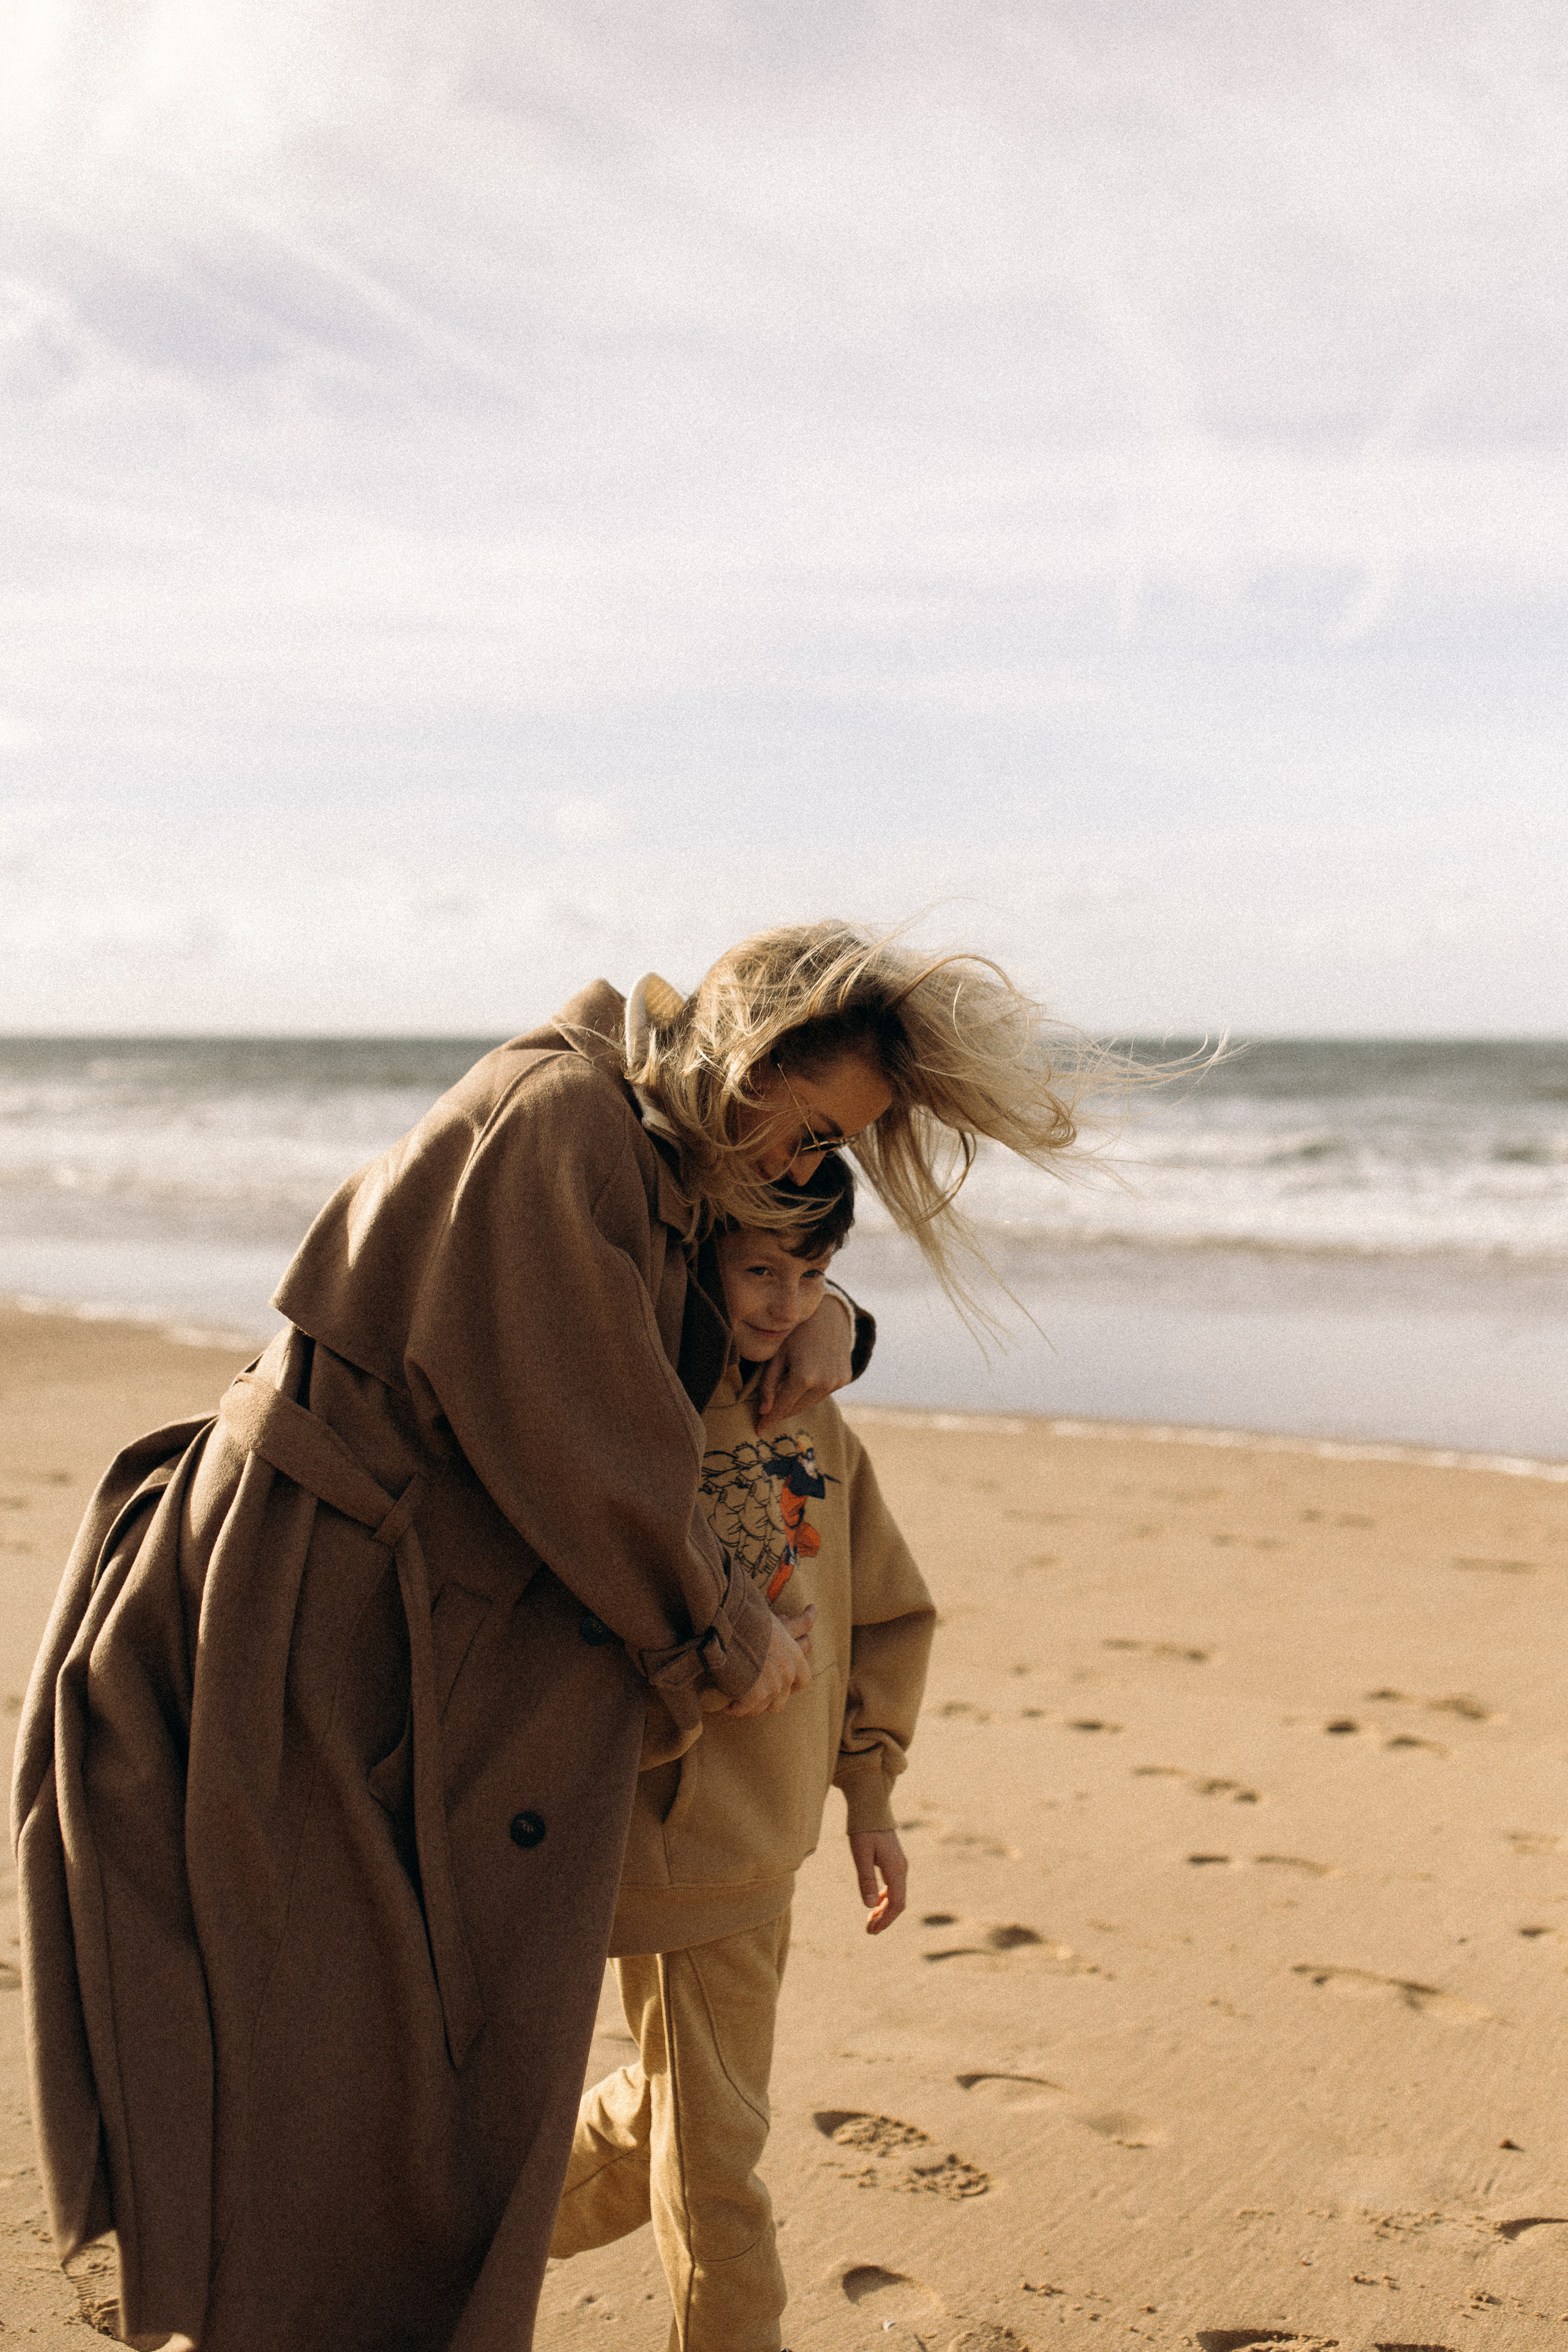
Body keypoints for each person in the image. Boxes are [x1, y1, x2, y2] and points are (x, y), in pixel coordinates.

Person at [13, 921, 1087, 2352]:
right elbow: (583, 1422)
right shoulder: (563, 1117)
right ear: (752, 1051)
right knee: (332, 2041)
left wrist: (837, 1314)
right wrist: (718, 1629)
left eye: (837, 1146)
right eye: (811, 1124)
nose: (800, 1165)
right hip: (302, 1600)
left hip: (391, 1612)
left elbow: (688, 1298)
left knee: (399, 2062)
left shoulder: (652, 1142)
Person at [549, 1150, 934, 2352]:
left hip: (769, 1848)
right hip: (665, 1847)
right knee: (719, 2169)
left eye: (810, 1272)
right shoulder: (644, 1410)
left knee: (682, 2114)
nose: (781, 1298)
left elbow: (886, 1609)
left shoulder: (818, 1418)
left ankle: (418, 2247)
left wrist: (868, 1792)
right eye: (758, 1267)